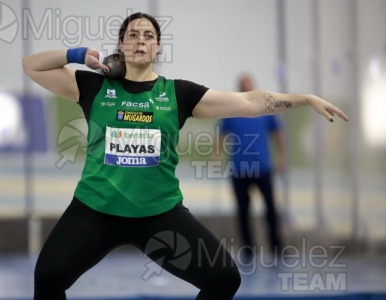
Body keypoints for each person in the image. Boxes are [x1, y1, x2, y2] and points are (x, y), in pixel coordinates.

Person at [22, 12, 348, 300]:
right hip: (95, 211)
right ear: (120, 44)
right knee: (48, 278)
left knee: (224, 279)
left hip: (159, 216)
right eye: (133, 34)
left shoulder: (178, 93)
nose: (140, 40)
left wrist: (304, 99)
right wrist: (79, 55)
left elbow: (250, 102)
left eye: (148, 36)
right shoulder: (92, 87)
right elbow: (31, 65)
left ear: (158, 48)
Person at [218, 74, 286, 261]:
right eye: (242, 85)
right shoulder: (231, 111)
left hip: (263, 168)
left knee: (270, 209)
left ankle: (276, 247)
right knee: (242, 211)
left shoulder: (265, 109)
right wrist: (217, 155)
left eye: (248, 85)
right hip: (240, 170)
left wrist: (281, 157)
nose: (245, 88)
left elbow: (277, 134)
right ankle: (248, 249)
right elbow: (221, 136)